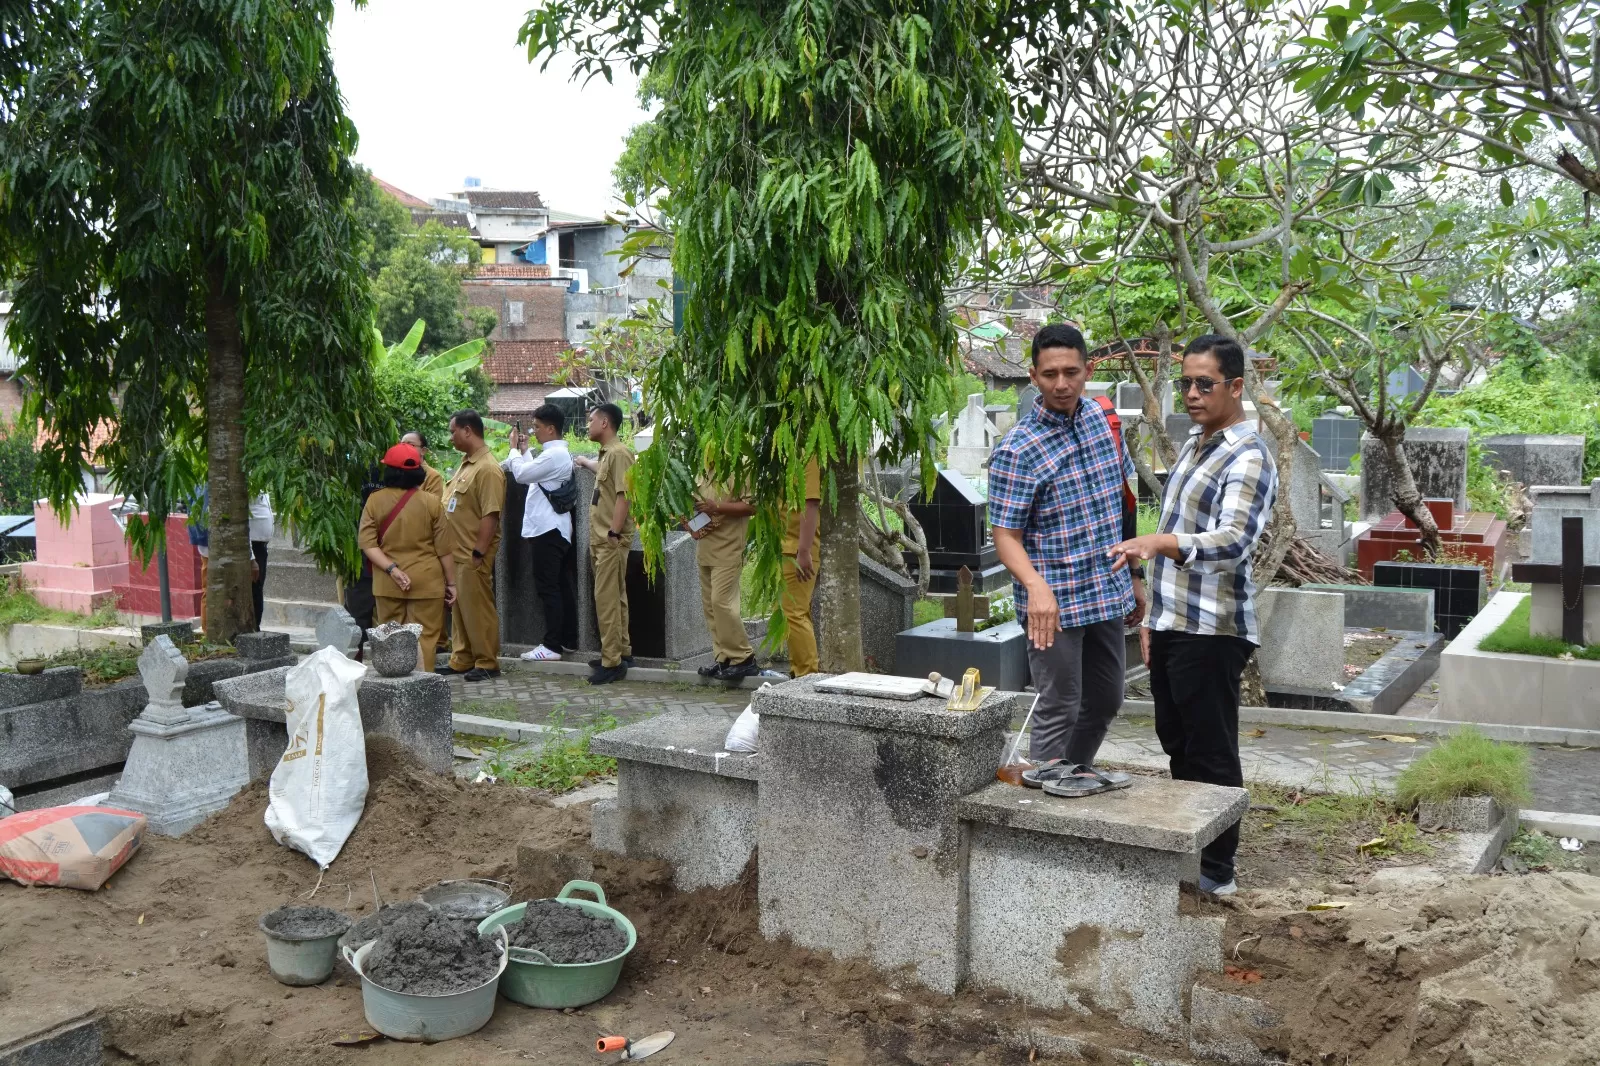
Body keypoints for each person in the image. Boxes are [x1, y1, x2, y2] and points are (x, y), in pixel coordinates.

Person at [1107, 334, 1279, 896]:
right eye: (1185, 383)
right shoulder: (1196, 444)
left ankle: (1217, 870)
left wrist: (1160, 543)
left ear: (1236, 386)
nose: (1192, 393)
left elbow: (1233, 540)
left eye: (1205, 384)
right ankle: (1192, 845)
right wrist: (1155, 622)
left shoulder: (1248, 454)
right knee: (1175, 738)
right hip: (1175, 623)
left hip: (1213, 628)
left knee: (1209, 747)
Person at [987, 322, 1146, 787]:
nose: (1062, 383)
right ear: (1034, 376)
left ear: (1088, 370)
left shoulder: (1102, 420)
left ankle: (1072, 777)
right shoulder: (1018, 450)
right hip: (1052, 604)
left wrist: (1136, 575)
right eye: (1050, 374)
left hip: (1106, 589)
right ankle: (1041, 803)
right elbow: (1005, 536)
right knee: (1059, 704)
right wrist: (1035, 587)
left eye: (1071, 372)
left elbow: (1123, 499)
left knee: (1106, 699)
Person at [358, 443, 459, 673]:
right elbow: (444, 549)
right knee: (425, 638)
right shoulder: (432, 503)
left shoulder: (375, 500)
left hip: (388, 583)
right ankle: (422, 692)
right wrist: (451, 583)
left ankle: (396, 693)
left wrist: (392, 569)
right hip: (427, 582)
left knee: (391, 637)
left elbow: (367, 544)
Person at [507, 404, 578, 662]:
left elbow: (523, 476)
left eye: (537, 427)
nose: (533, 431)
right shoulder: (556, 455)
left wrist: (514, 449)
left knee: (549, 587)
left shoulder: (555, 455)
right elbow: (535, 474)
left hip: (548, 529)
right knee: (558, 584)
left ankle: (552, 646)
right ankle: (567, 639)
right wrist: (525, 453)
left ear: (551, 429)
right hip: (552, 529)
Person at [439, 409, 506, 682]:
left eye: (453, 431)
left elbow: (491, 514)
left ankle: (487, 661)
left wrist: (479, 550)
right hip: (456, 552)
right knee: (461, 609)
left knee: (477, 609)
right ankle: (463, 658)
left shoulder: (488, 468)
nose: (451, 437)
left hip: (472, 553)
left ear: (468, 430)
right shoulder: (467, 464)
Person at [572, 403, 634, 684]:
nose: (588, 425)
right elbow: (604, 474)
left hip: (610, 539)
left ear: (605, 423)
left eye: (591, 419)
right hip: (602, 538)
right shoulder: (609, 455)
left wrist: (613, 532)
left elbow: (624, 496)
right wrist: (585, 463)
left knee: (606, 599)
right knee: (614, 595)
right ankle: (622, 651)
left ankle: (612, 662)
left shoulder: (620, 454)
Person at [689, 476, 757, 680]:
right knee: (710, 606)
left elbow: (751, 506)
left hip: (729, 548)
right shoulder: (702, 467)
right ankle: (723, 658)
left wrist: (716, 506)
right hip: (705, 546)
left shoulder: (739, 465)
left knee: (722, 603)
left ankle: (743, 657)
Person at [779, 460, 822, 678]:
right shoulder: (780, 456)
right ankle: (798, 670)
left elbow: (811, 503)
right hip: (783, 546)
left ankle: (806, 674)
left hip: (798, 550)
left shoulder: (806, 458)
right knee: (792, 613)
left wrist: (804, 551)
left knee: (794, 613)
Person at [248, 492, 273, 632]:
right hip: (253, 547)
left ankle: (255, 627)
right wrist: (251, 558)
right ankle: (253, 629)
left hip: (261, 546)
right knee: (254, 591)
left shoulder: (260, 483)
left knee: (257, 589)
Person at [400, 430, 446, 498]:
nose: (405, 448)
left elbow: (433, 506)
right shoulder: (395, 471)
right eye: (402, 445)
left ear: (423, 451)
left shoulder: (433, 477)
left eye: (411, 445)